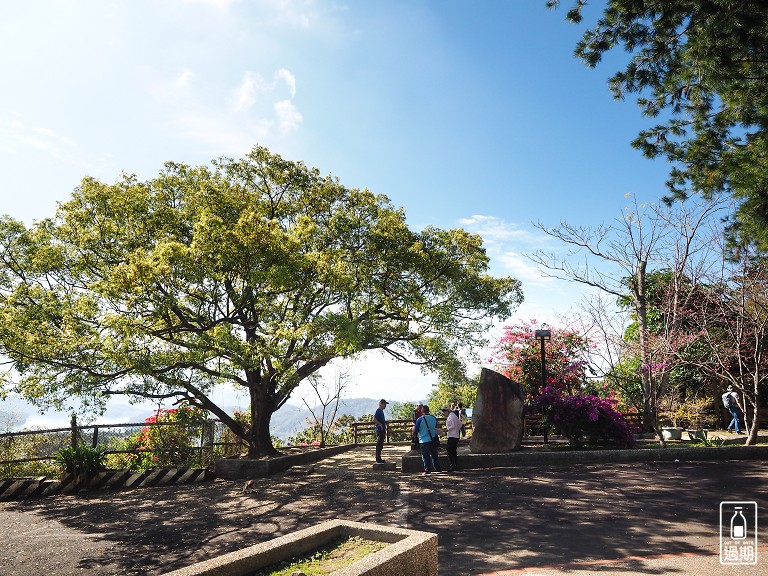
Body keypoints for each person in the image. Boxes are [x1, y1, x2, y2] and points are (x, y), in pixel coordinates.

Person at [413, 405, 442, 475]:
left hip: (423, 440)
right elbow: (435, 427)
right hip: (433, 439)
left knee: (425, 456)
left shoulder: (420, 419)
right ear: (429, 410)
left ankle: (428, 471)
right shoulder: (433, 418)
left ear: (422, 411)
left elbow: (416, 430)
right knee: (434, 455)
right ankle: (437, 470)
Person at [441, 406, 461, 472]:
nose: (444, 413)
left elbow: (452, 425)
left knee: (449, 451)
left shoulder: (450, 417)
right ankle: (455, 465)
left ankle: (452, 465)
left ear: (447, 411)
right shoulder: (455, 416)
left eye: (444, 411)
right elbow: (460, 424)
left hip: (451, 435)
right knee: (453, 451)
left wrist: (447, 429)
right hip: (456, 435)